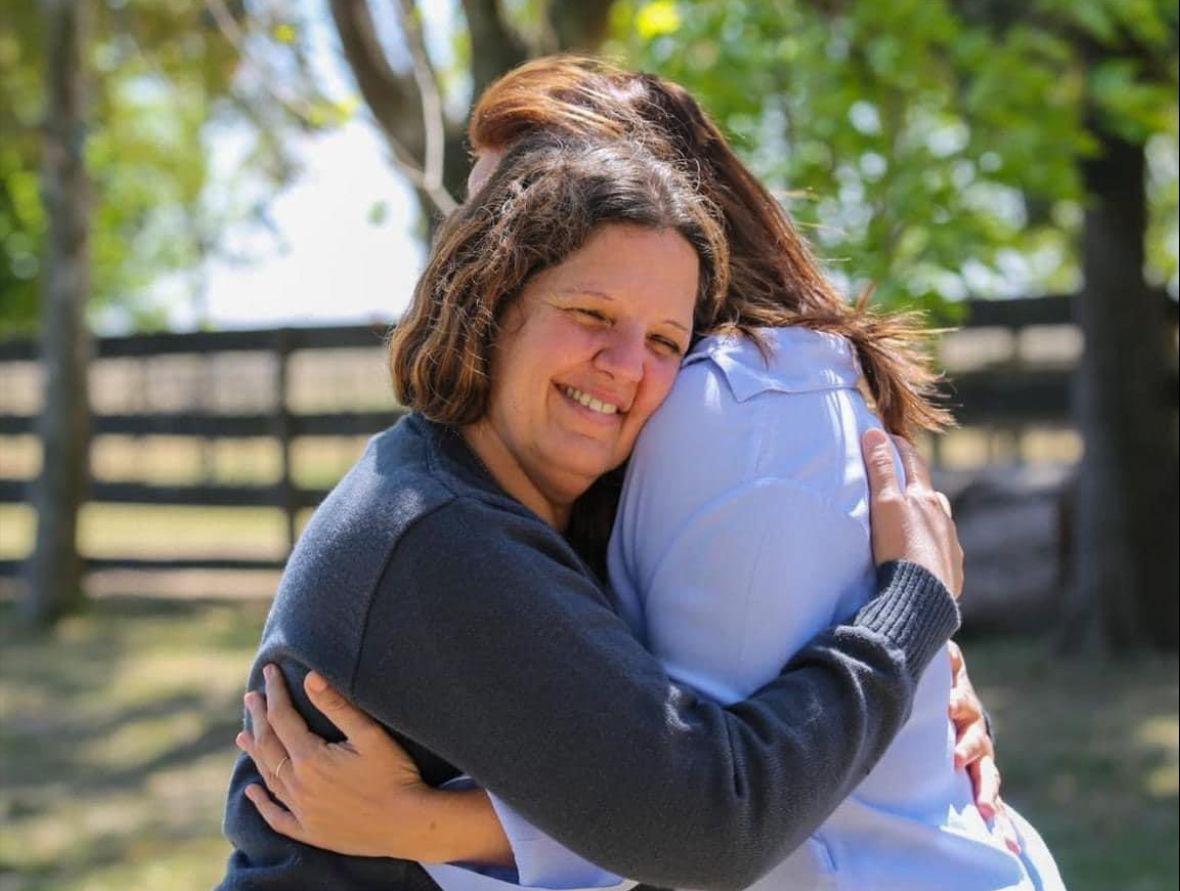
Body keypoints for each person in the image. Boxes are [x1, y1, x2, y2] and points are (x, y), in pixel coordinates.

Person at [233, 58, 1064, 890]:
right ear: (494, 285)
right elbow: (703, 817)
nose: (628, 365)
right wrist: (912, 610)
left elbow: (648, 773)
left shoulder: (619, 469)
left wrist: (931, 694)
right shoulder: (441, 528)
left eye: (664, 339)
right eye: (591, 313)